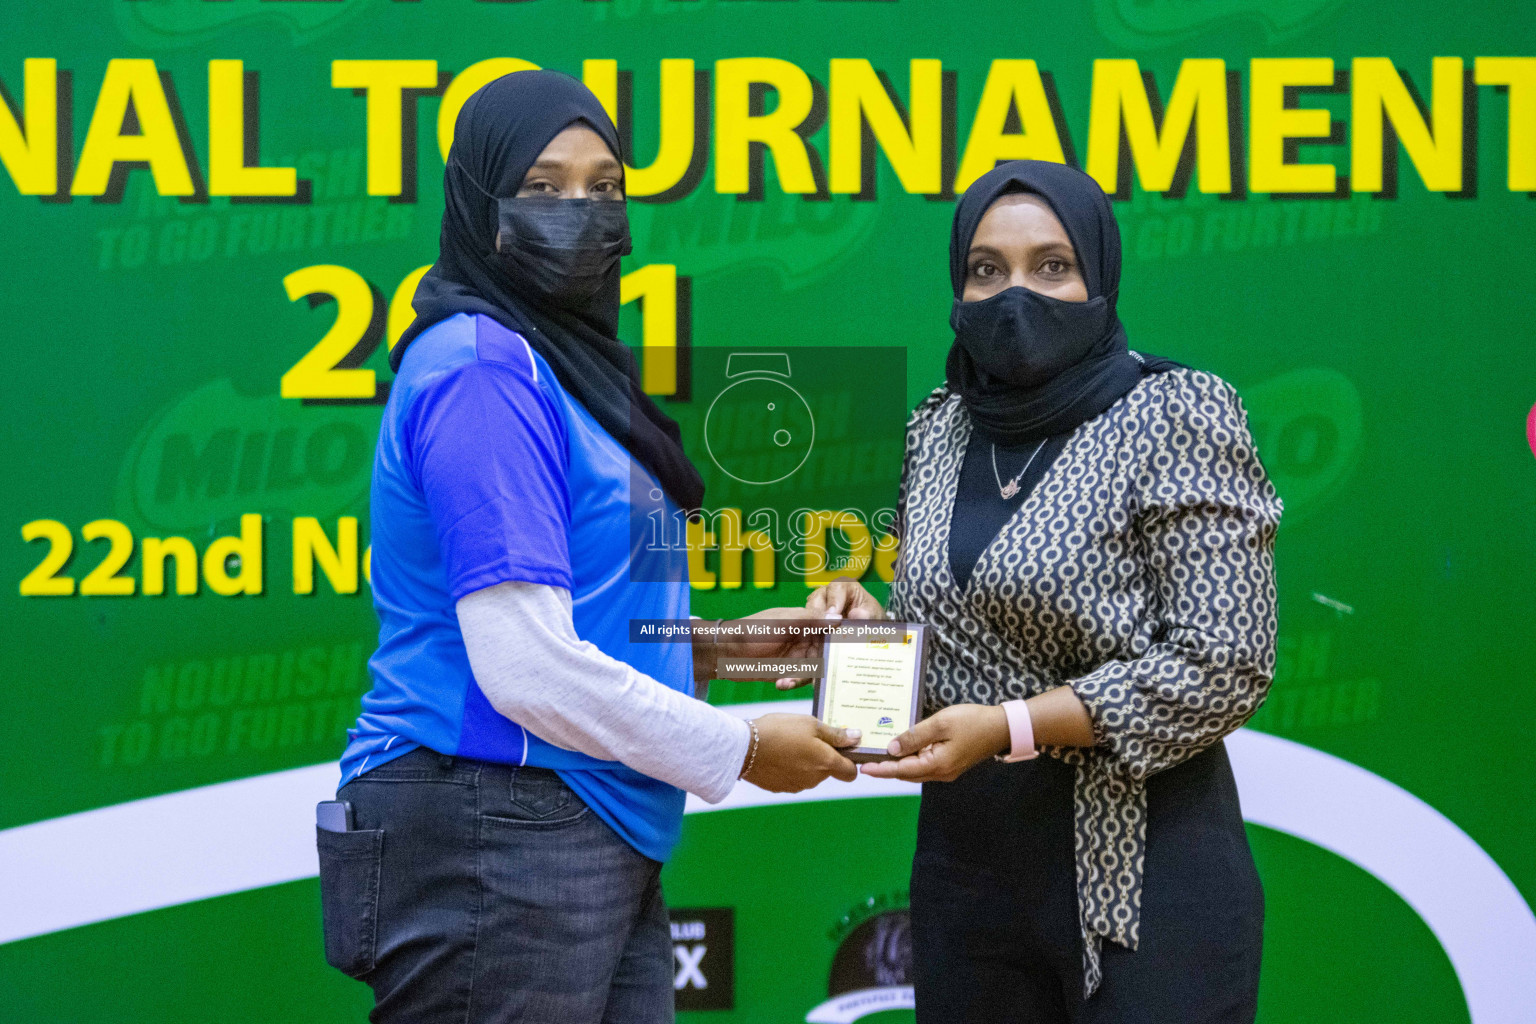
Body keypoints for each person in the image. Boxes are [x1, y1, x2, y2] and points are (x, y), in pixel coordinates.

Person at [315, 70, 858, 1024]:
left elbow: (580, 631)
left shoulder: (565, 376)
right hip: (496, 817)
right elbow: (524, 668)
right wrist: (739, 749)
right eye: (543, 187)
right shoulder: (482, 372)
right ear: (482, 210)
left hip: (581, 818)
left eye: (605, 186)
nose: (583, 212)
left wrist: (729, 645)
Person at [800, 160, 1284, 1022]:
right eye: (987, 271)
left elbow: (1225, 661)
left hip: (1142, 878)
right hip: (967, 883)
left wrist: (1013, 726)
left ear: (1097, 275)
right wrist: (869, 628)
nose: (1015, 295)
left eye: (1051, 267)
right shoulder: (940, 424)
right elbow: (957, 654)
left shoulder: (1177, 412)